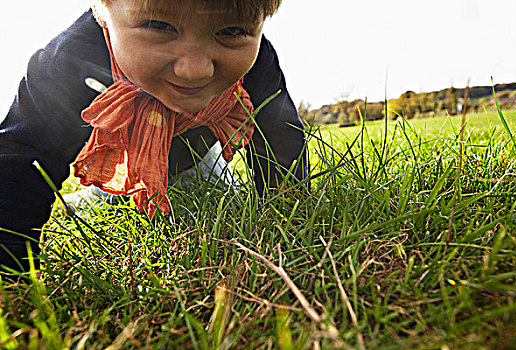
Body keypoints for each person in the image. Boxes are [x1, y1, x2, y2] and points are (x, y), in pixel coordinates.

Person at [0, 0, 307, 274]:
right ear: (103, 10)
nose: (194, 69)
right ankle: (91, 197)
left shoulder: (259, 63)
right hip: (122, 164)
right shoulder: (68, 60)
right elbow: (24, 155)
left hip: (193, 159)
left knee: (215, 194)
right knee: (105, 202)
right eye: (158, 26)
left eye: (231, 31)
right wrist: (9, 266)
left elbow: (280, 139)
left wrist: (290, 225)